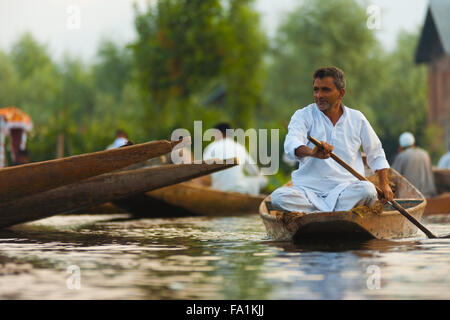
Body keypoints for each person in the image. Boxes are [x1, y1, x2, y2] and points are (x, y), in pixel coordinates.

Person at [271, 66, 393, 214]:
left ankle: (316, 214)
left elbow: (376, 152)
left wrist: (384, 184)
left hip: (346, 190)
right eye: (316, 90)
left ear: (341, 93)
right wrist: (312, 152)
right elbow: (292, 144)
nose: (319, 95)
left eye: (325, 90)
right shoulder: (303, 115)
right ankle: (336, 213)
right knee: (278, 197)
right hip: (308, 191)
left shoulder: (357, 118)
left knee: (367, 190)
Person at [203, 122, 267, 195]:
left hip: (218, 188)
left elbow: (203, 169)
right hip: (239, 189)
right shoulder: (239, 147)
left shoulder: (210, 147)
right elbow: (254, 171)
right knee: (263, 179)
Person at [392, 132, 437, 198]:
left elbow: (393, 176)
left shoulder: (402, 156)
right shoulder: (425, 154)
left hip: (411, 198)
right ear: (414, 143)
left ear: (400, 146)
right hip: (429, 196)